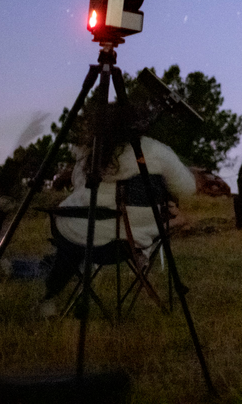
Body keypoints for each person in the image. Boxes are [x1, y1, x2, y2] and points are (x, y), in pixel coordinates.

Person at [40, 105, 196, 317]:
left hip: (78, 236)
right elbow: (187, 188)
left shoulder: (90, 151)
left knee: (75, 233)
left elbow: (79, 186)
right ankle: (66, 295)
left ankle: (51, 296)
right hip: (126, 244)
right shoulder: (155, 151)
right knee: (151, 218)